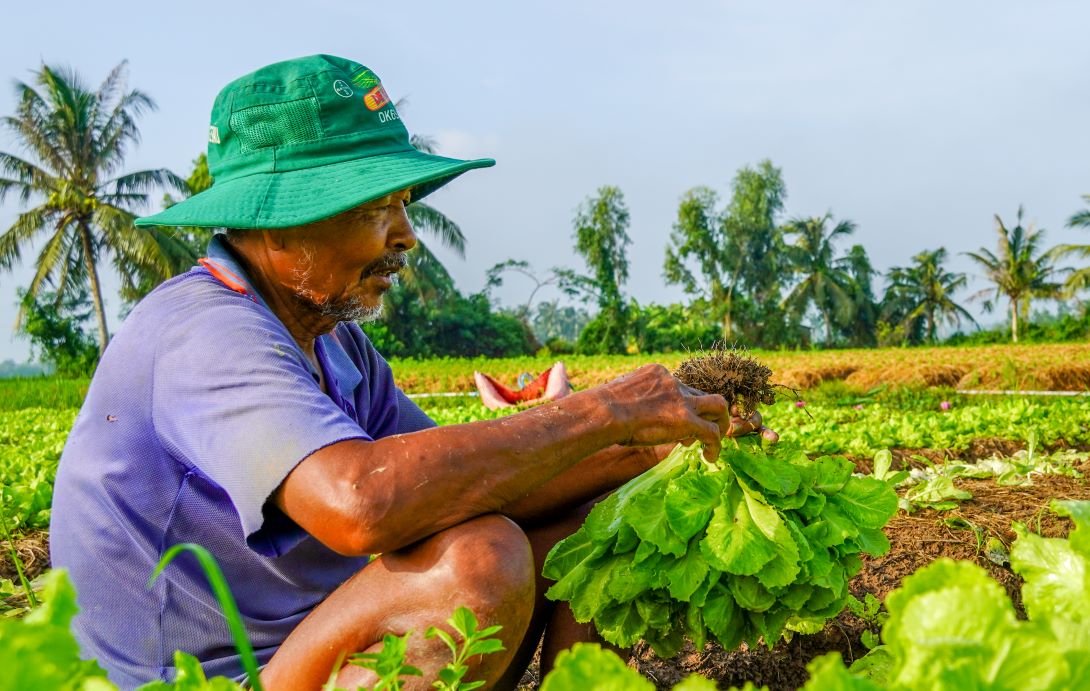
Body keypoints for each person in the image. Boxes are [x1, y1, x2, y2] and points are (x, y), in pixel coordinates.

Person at [49, 55, 771, 690]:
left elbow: (461, 490)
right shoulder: (205, 330)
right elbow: (362, 503)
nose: (405, 235)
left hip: (306, 649)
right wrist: (603, 410)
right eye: (376, 208)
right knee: (481, 562)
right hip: (204, 682)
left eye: (402, 204)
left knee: (598, 531)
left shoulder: (332, 341)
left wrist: (656, 448)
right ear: (276, 223)